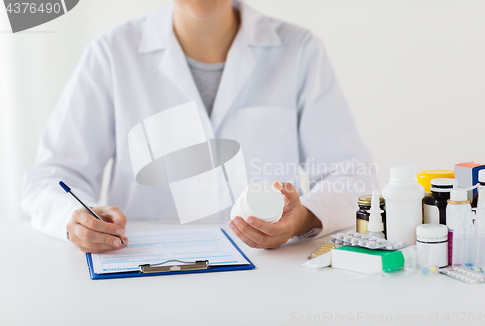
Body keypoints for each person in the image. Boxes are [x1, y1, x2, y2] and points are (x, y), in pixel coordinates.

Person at [21, 0, 376, 253]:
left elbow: (353, 176)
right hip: (144, 275)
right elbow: (50, 178)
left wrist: (299, 219)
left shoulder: (300, 51)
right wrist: (77, 219)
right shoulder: (111, 53)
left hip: (267, 279)